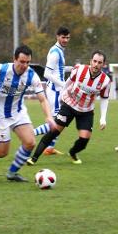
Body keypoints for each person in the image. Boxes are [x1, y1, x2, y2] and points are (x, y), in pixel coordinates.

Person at [0, 45, 55, 182]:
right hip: (1, 114)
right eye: (22, 61)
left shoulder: (31, 75)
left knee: (30, 142)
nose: (25, 65)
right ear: (15, 59)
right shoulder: (3, 69)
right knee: (2, 152)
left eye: (28, 62)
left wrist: (48, 116)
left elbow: (42, 99)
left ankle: (12, 173)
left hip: (18, 112)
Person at [27, 51, 110, 166]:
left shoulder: (105, 80)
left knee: (84, 139)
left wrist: (103, 118)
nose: (96, 64)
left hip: (86, 111)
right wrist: (62, 96)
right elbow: (68, 83)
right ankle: (34, 158)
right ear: (90, 61)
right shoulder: (79, 69)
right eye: (94, 61)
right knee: (54, 132)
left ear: (103, 64)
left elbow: (104, 98)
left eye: (99, 62)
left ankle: (73, 152)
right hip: (69, 105)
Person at [33, 27, 71, 156]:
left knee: (59, 121)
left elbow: (58, 69)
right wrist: (64, 85)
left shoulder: (59, 51)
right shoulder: (55, 52)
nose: (65, 40)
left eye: (67, 37)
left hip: (57, 90)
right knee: (56, 122)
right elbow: (47, 73)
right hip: (55, 91)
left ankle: (49, 148)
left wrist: (72, 69)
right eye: (63, 37)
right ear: (57, 36)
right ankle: (29, 134)